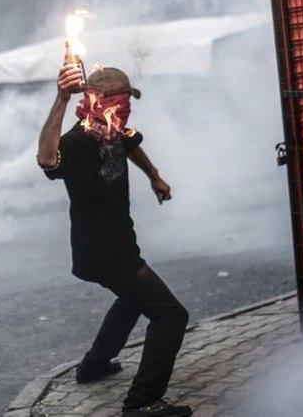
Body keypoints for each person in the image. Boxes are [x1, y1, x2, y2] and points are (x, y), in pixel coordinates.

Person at [37, 62, 192, 417]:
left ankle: (94, 366)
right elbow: (47, 159)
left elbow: (131, 144)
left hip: (114, 246)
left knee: (132, 299)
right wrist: (60, 100)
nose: (127, 110)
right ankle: (141, 403)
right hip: (105, 252)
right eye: (122, 103)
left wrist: (154, 176)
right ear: (102, 104)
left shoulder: (113, 130)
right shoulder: (78, 141)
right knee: (171, 315)